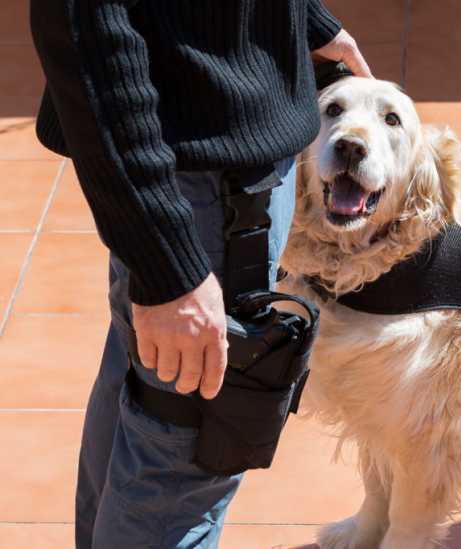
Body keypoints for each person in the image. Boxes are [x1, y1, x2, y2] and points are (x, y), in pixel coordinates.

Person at [29, 2, 371, 547]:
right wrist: (167, 265)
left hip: (219, 159)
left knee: (139, 404)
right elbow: (85, 21)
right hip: (209, 184)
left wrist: (297, 19)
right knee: (179, 467)